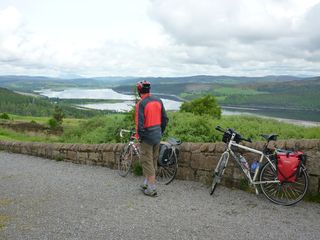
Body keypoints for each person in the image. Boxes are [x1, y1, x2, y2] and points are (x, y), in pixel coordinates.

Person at [135, 80, 168, 197]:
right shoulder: (158, 101)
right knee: (153, 160)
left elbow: (140, 124)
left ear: (139, 91)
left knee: (146, 162)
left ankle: (152, 189)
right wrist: (160, 132)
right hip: (157, 136)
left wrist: (141, 137)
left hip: (147, 138)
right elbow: (165, 119)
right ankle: (146, 183)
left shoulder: (141, 104)